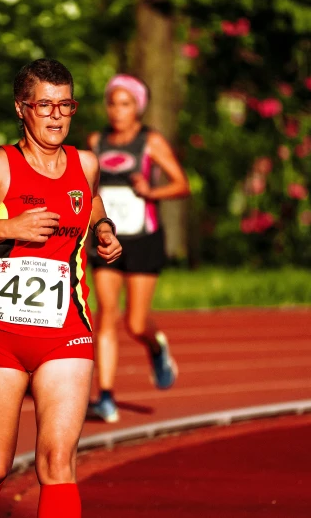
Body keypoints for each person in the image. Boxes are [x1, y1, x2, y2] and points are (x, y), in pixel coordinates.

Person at [0, 59, 121, 518]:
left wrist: (103, 228)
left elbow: (91, 198)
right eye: (45, 105)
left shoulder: (86, 162)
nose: (57, 116)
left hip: (67, 333)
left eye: (66, 105)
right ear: (22, 108)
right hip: (0, 335)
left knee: (58, 464)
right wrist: (9, 227)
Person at [86, 74, 191, 423]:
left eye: (126, 104)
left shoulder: (151, 142)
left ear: (138, 107)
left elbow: (181, 185)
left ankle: (156, 345)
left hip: (143, 238)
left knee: (134, 323)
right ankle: (104, 396)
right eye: (113, 103)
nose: (117, 111)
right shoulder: (96, 141)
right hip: (106, 239)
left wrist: (150, 192)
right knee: (106, 316)